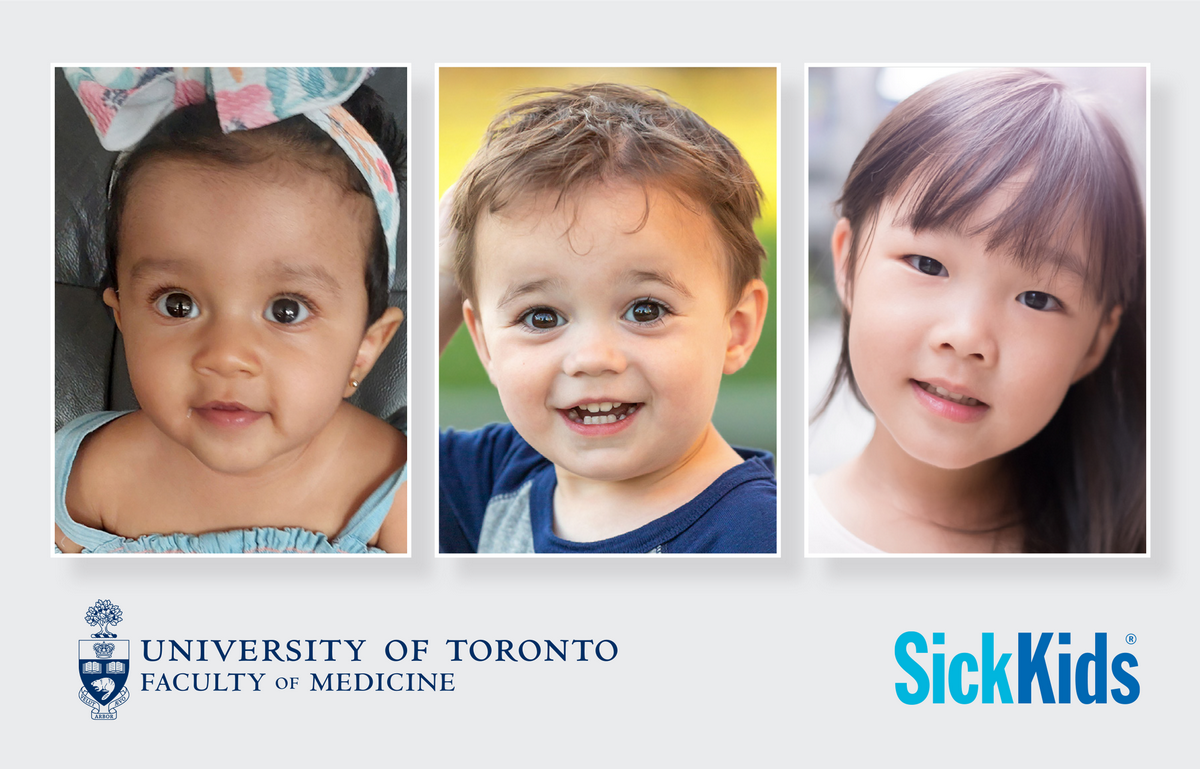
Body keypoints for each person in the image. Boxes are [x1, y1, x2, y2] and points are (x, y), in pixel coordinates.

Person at [55, 67, 408, 554]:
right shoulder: (80, 481)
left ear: (364, 350)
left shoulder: (399, 490)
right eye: (177, 305)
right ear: (123, 319)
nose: (226, 356)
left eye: (286, 310)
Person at [809, 68, 1146, 554]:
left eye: (1037, 299)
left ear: (1096, 341)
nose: (966, 336)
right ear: (846, 260)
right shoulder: (766, 539)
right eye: (928, 264)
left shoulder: (1134, 553)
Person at [439, 83, 776, 554]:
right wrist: (442, 267)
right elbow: (351, 419)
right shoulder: (492, 480)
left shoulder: (756, 537)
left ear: (736, 329)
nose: (593, 358)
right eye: (540, 317)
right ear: (485, 343)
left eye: (645, 310)